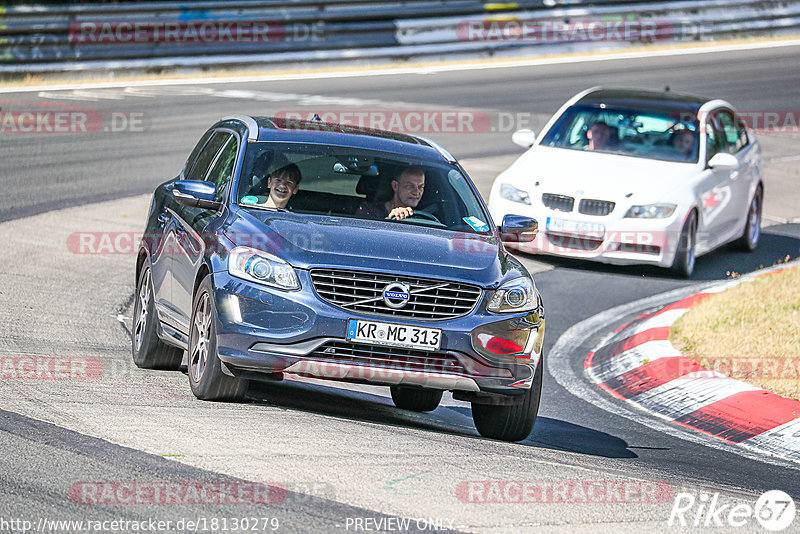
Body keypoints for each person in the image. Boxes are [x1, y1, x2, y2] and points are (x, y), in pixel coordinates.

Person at [356, 167, 425, 220]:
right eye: (410, 186)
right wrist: (389, 219)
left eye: (420, 187)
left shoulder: (426, 217)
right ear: (395, 186)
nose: (416, 192)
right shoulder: (369, 211)